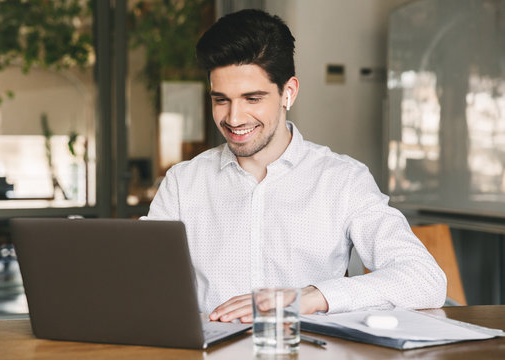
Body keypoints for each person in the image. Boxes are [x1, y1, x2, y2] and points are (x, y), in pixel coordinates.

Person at [145, 9, 446, 323]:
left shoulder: (342, 180)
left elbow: (425, 280)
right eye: (221, 99)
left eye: (252, 98)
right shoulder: (183, 183)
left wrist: (310, 298)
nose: (233, 118)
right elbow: (139, 278)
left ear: (288, 92)